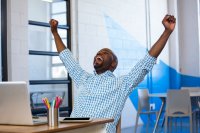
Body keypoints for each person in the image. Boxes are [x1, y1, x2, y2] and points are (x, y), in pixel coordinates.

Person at [49, 14, 176, 133]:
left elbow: (146, 62)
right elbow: (66, 57)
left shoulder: (122, 84)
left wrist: (167, 32)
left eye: (105, 53)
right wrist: (55, 33)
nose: (99, 54)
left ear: (113, 64)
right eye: (98, 53)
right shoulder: (83, 78)